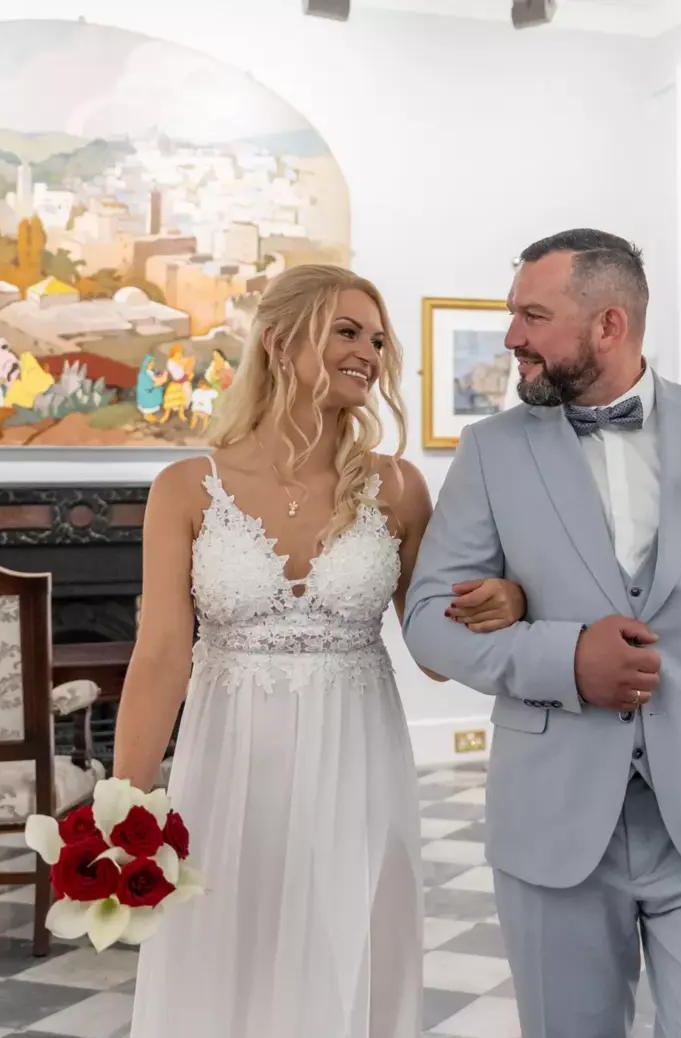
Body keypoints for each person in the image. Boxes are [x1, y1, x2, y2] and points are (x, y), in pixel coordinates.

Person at [403, 229, 681, 1037]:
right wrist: (567, 659)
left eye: (533, 316)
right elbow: (428, 624)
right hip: (551, 825)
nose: (512, 338)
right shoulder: (491, 452)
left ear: (609, 325)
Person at [112, 264, 526, 1037]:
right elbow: (162, 655)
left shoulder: (399, 489)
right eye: (346, 331)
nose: (369, 351)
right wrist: (123, 803)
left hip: (358, 761)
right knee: (223, 951)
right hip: (230, 765)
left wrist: (508, 601)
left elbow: (432, 650)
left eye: (377, 338)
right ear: (277, 339)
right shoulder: (185, 488)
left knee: (347, 948)